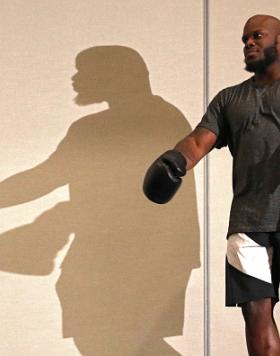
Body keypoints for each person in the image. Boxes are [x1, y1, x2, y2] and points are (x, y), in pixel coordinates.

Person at [144, 14, 280, 355]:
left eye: (257, 36)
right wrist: (173, 162)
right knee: (255, 311)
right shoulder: (230, 99)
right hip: (248, 224)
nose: (248, 43)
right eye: (244, 39)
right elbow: (197, 142)